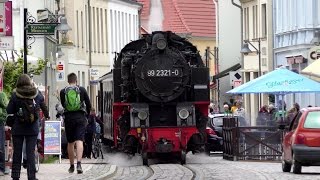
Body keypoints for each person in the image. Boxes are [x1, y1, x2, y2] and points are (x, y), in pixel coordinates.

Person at [6, 74, 49, 180]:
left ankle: (15, 176)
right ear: (29, 82)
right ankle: (32, 176)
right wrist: (47, 116)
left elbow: (9, 110)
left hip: (18, 128)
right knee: (30, 152)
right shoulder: (36, 93)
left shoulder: (15, 94)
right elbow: (43, 106)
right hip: (32, 127)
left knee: (17, 152)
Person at [60, 73, 91, 174]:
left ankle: (71, 166)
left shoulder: (63, 91)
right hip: (80, 118)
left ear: (68, 81)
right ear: (76, 80)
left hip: (68, 118)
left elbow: (63, 105)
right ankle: (79, 164)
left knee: (70, 142)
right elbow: (88, 104)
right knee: (79, 141)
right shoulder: (81, 90)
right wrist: (87, 115)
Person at [0, 91, 9, 176]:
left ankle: (1, 168)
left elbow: (6, 107)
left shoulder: (2, 94)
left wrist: (4, 121)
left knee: (0, 147)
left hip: (0, 123)